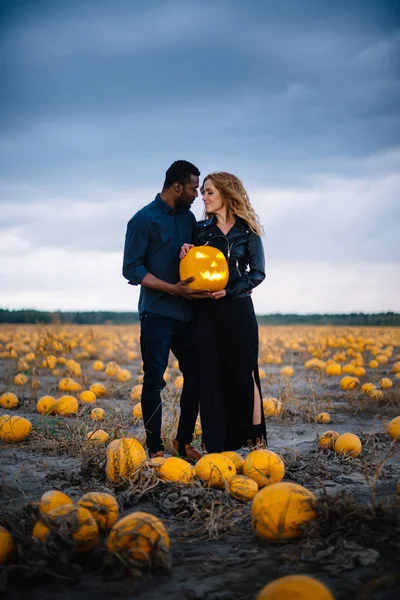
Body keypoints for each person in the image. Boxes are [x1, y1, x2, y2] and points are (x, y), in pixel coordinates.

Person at [122, 160, 209, 460]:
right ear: (176, 186)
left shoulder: (189, 221)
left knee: (196, 376)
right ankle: (155, 448)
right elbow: (131, 269)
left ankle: (183, 443)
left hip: (188, 314)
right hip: (157, 313)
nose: (196, 195)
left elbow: (201, 254)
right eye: (193, 188)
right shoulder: (142, 220)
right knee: (154, 380)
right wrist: (173, 289)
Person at [180, 172, 266, 453]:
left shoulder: (247, 232)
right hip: (207, 312)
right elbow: (194, 265)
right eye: (203, 192)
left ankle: (253, 435)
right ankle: (214, 441)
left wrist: (229, 291)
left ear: (227, 195)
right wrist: (187, 251)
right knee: (210, 374)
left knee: (244, 372)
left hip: (238, 308)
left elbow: (258, 273)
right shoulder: (200, 230)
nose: (203, 197)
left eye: (209, 192)